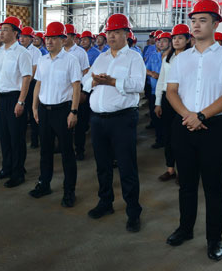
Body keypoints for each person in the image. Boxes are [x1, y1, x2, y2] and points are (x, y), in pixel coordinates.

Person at [164, 0, 222, 262]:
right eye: (193, 20)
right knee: (186, 184)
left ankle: (214, 238)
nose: (196, 25)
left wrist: (201, 116)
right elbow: (171, 91)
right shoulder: (181, 58)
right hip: (184, 124)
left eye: (203, 20)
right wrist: (188, 116)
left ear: (216, 23)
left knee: (212, 186)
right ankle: (185, 229)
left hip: (214, 127)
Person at [82, 13, 146, 233]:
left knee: (127, 167)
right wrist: (94, 81)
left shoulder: (134, 58)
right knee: (103, 165)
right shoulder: (101, 57)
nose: (111, 36)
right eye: (109, 32)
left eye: (117, 32)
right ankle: (105, 202)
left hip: (122, 119)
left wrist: (112, 81)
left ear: (127, 34)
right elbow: (85, 81)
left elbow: (139, 85)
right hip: (98, 120)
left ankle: (133, 212)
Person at [29, 21, 81, 207]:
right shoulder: (43, 60)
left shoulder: (71, 60)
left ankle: (69, 191)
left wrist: (73, 111)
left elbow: (76, 87)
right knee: (45, 151)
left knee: (67, 153)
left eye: (53, 38)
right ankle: (44, 184)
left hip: (63, 111)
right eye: (47, 38)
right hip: (44, 110)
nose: (49, 41)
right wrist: (34, 107)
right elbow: (38, 84)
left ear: (63, 39)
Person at [0, 17, 32, 188]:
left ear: (15, 33)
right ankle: (6, 168)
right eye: (1, 29)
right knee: (4, 137)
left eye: (5, 29)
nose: (1, 32)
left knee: (16, 138)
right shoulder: (0, 52)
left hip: (15, 97)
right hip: (1, 98)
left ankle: (18, 173)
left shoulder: (22, 53)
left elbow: (26, 78)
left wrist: (21, 102)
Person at [154, 24, 191, 182]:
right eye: (174, 38)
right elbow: (161, 80)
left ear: (188, 40)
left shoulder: (192, 58)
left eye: (180, 38)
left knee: (183, 137)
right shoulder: (167, 58)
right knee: (168, 135)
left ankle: (184, 171)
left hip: (184, 100)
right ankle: (170, 169)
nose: (176, 41)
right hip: (167, 99)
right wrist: (158, 102)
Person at [64, 24, 90, 160]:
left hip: (77, 92)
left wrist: (83, 92)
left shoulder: (80, 53)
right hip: (63, 93)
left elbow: (86, 72)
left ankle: (79, 150)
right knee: (64, 123)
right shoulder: (59, 51)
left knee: (79, 124)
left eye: (66, 35)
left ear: (73, 37)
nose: (63, 38)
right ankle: (64, 147)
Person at [19, 26, 42, 149]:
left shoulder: (36, 52)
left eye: (25, 37)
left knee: (32, 111)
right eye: (21, 36)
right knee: (21, 112)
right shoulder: (17, 49)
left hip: (31, 84)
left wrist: (26, 81)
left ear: (31, 38)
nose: (22, 39)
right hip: (20, 85)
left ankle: (34, 140)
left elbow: (34, 69)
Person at [145, 32, 167, 146]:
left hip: (168, 92)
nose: (160, 43)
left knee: (166, 117)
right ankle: (160, 139)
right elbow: (145, 69)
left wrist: (161, 76)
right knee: (156, 116)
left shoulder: (173, 57)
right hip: (154, 91)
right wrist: (152, 74)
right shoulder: (153, 56)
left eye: (164, 41)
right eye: (159, 41)